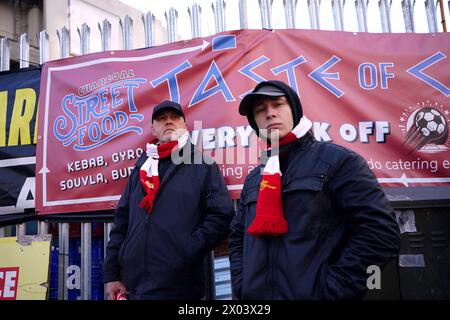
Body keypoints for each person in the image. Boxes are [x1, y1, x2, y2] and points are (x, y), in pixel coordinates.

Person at [228, 80, 400, 299]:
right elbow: (237, 237)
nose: (269, 114)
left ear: (295, 109)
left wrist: (333, 291)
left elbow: (381, 233)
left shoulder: (338, 161)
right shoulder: (254, 179)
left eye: (278, 105)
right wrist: (242, 286)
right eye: (260, 110)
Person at [103, 100, 234, 300]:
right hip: (134, 288)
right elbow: (122, 223)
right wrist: (112, 275)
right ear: (153, 130)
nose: (169, 122)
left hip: (181, 287)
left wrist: (186, 250)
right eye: (162, 119)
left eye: (174, 118)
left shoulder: (202, 165)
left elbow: (221, 215)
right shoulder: (141, 169)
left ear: (184, 125)